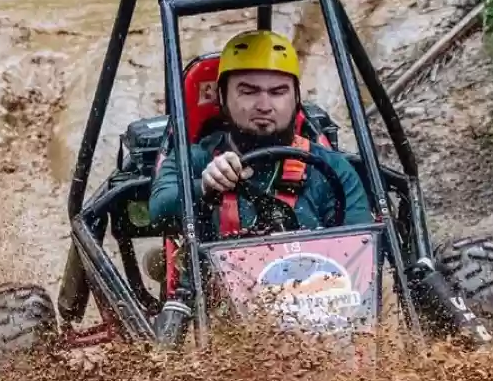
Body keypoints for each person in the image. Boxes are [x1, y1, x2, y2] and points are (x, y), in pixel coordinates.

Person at [148, 30, 372, 240]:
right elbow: (158, 210)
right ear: (222, 97)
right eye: (248, 92)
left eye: (278, 92)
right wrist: (205, 188)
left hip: (318, 278)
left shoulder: (330, 169)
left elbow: (362, 250)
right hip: (212, 279)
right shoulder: (194, 160)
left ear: (296, 98)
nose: (264, 106)